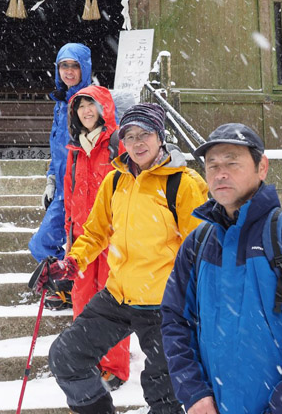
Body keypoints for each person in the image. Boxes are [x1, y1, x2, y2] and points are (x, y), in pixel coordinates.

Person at [30, 103, 208, 414]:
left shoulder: (183, 183)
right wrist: (71, 263)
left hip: (165, 304)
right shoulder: (115, 182)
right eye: (129, 136)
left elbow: (201, 249)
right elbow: (96, 233)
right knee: (67, 356)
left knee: (164, 396)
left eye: (145, 134)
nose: (138, 143)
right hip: (118, 298)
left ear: (160, 137)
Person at [161, 123, 282, 414]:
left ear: (262, 167)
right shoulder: (197, 245)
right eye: (212, 165)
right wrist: (194, 392)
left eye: (232, 162)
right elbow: (175, 321)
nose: (220, 173)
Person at [62, 85, 131, 390]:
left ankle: (114, 366)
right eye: (80, 106)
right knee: (81, 299)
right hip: (81, 239)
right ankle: (84, 357)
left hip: (114, 238)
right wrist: (69, 240)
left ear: (104, 108)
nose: (86, 111)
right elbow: (68, 196)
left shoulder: (117, 143)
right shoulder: (74, 150)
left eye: (91, 104)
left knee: (113, 300)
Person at [28, 43, 92, 308]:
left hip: (83, 188)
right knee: (42, 244)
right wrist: (51, 179)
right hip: (64, 188)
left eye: (74, 65)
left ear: (84, 68)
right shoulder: (60, 102)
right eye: (63, 66)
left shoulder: (91, 101)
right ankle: (67, 287)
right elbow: (56, 149)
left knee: (79, 245)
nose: (68, 71)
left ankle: (75, 291)